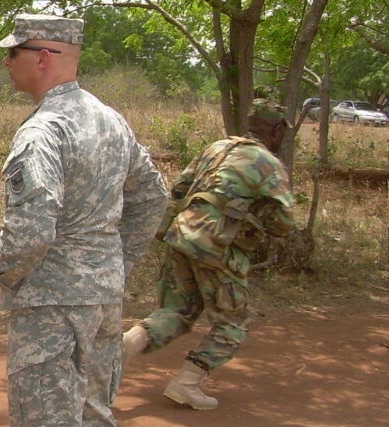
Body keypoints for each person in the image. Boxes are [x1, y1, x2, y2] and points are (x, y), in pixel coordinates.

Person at [0, 14, 167, 427]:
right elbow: (152, 195)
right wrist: (113, 264)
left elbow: (31, 226)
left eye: (14, 52)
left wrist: (7, 274)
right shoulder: (109, 119)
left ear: (43, 57)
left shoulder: (44, 130)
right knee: (95, 423)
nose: (7, 62)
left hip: (50, 307)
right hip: (103, 300)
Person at [122, 99, 295, 410]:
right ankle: (186, 383)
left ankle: (126, 345)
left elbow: (178, 189)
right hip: (218, 245)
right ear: (278, 130)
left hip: (181, 235)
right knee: (233, 321)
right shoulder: (267, 163)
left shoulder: (216, 148)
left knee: (177, 310)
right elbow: (283, 223)